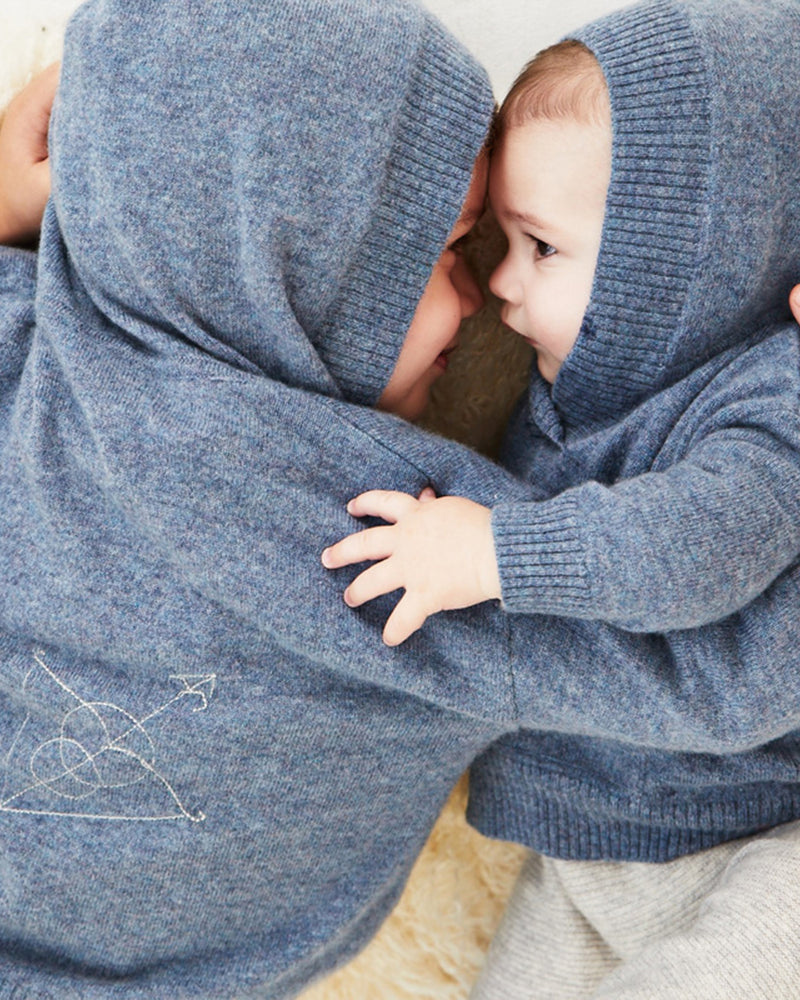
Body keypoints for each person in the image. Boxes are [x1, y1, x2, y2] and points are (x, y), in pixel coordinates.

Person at [3, 1, 800, 997]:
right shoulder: (383, 532)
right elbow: (717, 667)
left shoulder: (27, 341)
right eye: (449, 248)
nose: (478, 300)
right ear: (294, 268)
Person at [322, 0, 800, 995]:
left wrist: (492, 555)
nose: (501, 282)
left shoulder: (769, 396)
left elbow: (702, 545)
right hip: (582, 843)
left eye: (540, 248)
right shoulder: (551, 393)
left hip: (759, 834)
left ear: (667, 273)